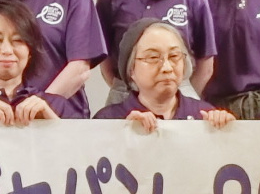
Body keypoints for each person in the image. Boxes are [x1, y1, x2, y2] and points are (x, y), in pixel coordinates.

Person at [93, 18, 233, 130]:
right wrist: (124, 135)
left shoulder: (204, 115)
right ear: (131, 70)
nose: (167, 68)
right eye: (153, 57)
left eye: (174, 56)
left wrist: (226, 130)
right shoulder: (108, 120)